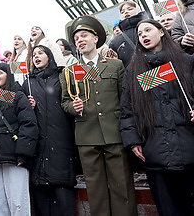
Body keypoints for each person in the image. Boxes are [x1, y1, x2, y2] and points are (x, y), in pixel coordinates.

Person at [61, 15, 138, 216]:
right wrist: (74, 107)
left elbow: (125, 100)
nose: (80, 40)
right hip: (87, 135)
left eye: (84, 35)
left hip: (114, 133)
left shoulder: (115, 66)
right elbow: (64, 102)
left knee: (122, 186)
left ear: (96, 38)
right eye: (76, 38)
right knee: (96, 190)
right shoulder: (69, 72)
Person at [120, 19, 194, 216]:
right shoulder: (133, 70)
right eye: (139, 33)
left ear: (161, 32)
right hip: (156, 152)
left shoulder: (186, 62)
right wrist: (133, 140)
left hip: (189, 148)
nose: (143, 35)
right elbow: (127, 109)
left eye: (148, 30)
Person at [0, 63, 38, 216]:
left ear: (8, 75)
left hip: (14, 158)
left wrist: (23, 154)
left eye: (0, 73)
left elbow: (28, 125)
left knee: (18, 204)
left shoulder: (18, 95)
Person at [23, 45, 77, 216]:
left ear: (50, 56)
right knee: (41, 200)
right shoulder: (28, 83)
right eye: (34, 55)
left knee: (63, 198)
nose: (36, 57)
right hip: (38, 148)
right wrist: (27, 106)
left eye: (41, 53)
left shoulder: (62, 76)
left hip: (61, 144)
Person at [109, 0, 148, 67]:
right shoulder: (115, 42)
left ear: (138, 10)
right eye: (122, 12)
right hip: (134, 75)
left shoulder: (152, 27)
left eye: (130, 9)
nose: (126, 12)